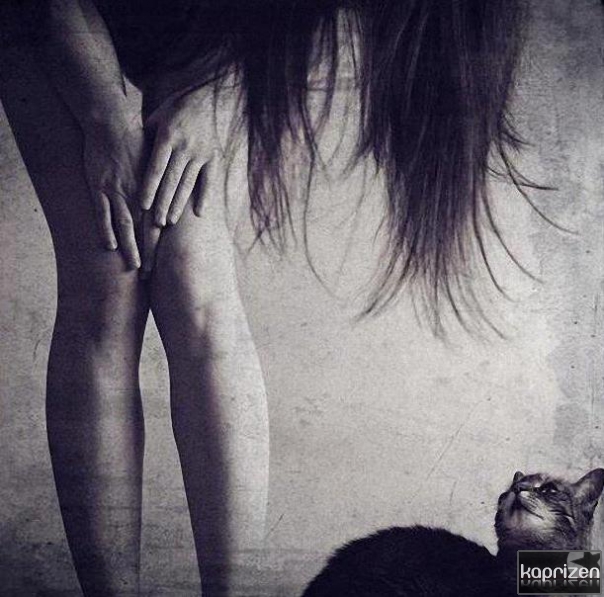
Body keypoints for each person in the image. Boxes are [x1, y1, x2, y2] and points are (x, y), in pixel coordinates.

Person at [0, 0, 526, 595]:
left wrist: (210, 96)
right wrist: (104, 117)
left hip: (208, 20)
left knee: (197, 285)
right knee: (107, 273)